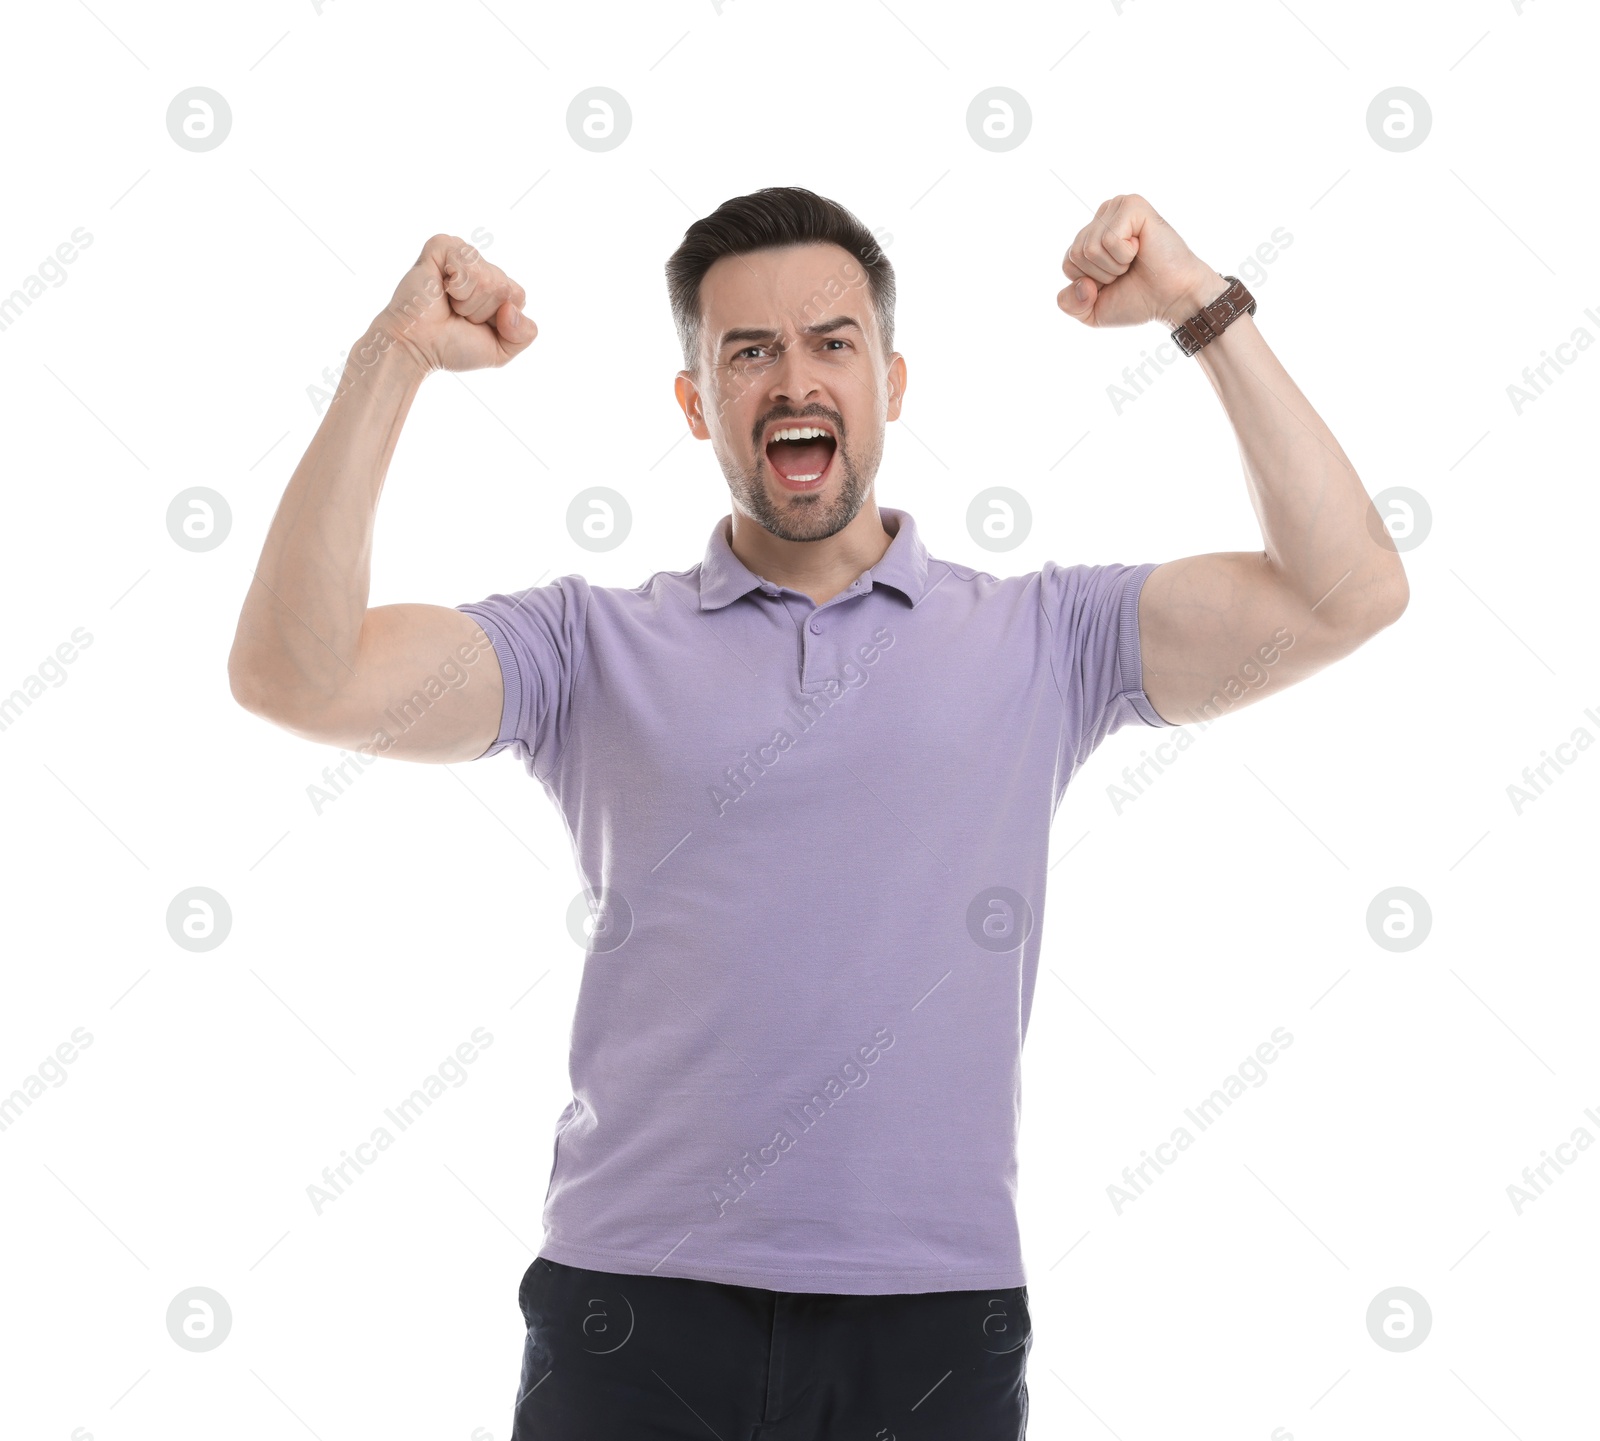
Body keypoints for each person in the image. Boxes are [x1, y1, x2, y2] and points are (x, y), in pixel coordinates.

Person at [229, 186, 1407, 1439]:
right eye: (748, 351)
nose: (794, 379)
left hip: (931, 1317)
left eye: (831, 342)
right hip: (633, 1306)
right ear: (695, 404)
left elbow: (1347, 593)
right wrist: (391, 356)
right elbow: (296, 676)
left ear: (892, 383)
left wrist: (1199, 305)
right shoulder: (585, 646)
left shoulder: (1042, 638)